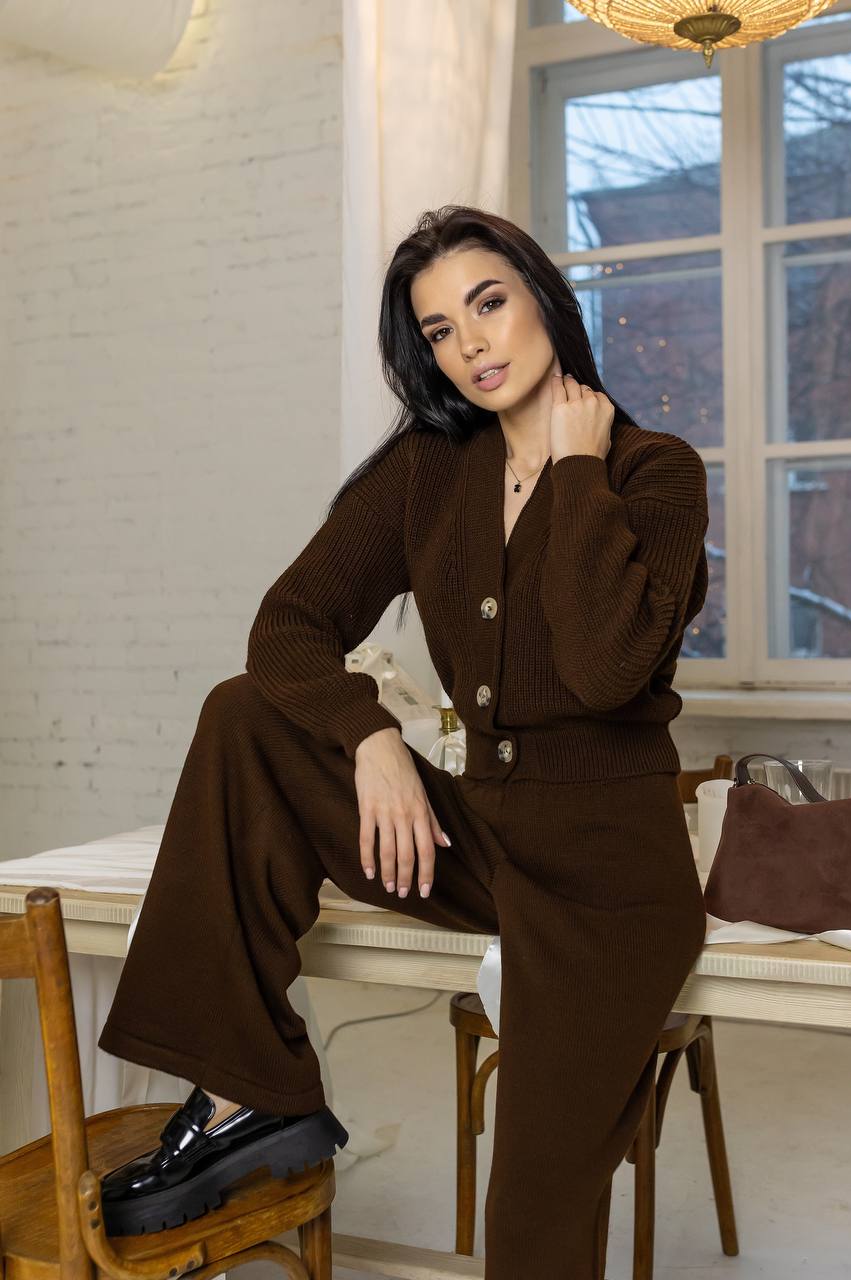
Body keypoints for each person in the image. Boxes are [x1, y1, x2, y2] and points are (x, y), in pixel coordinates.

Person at [96, 204, 710, 1277]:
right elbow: (287, 623)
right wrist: (370, 733)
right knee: (246, 710)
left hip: (606, 879)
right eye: (436, 329)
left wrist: (573, 468)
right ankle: (252, 1094)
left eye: (486, 303)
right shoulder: (431, 468)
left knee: (529, 1218)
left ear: (541, 301)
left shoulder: (653, 472)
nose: (468, 343)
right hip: (479, 832)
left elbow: (605, 670)